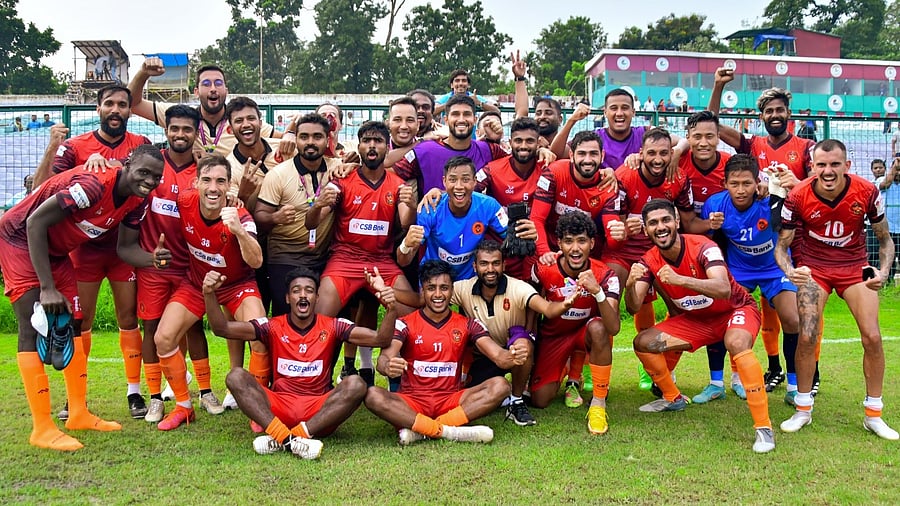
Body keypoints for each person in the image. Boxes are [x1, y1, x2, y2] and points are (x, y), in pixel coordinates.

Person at [0, 144, 166, 451]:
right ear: (127, 165)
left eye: (156, 177)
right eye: (144, 172)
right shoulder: (92, 185)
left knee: (74, 324)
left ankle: (77, 412)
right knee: (34, 326)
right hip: (20, 240)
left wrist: (152, 259)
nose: (150, 181)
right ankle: (42, 428)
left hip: (57, 251)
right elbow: (34, 223)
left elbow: (125, 250)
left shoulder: (137, 200)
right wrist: (47, 287)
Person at [626, 199, 774, 454]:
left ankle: (763, 427)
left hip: (734, 310)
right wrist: (630, 284)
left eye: (665, 220)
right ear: (646, 229)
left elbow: (723, 288)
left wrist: (679, 279)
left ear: (676, 220)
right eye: (653, 223)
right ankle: (672, 399)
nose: (660, 227)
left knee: (737, 343)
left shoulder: (704, 246)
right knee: (644, 343)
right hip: (697, 321)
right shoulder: (648, 260)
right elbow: (633, 307)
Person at [41, 85, 153, 420]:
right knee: (81, 321)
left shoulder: (141, 146)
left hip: (124, 246)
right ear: (98, 108)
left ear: (129, 110)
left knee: (128, 318)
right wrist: (67, 156)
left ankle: (135, 393)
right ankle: (75, 397)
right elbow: (45, 187)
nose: (116, 109)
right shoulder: (75, 147)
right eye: (109, 104)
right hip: (83, 250)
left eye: (122, 104)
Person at [202, 268, 397, 459]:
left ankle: (286, 438)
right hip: (279, 408)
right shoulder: (272, 326)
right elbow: (222, 329)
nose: (303, 295)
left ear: (317, 298)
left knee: (356, 384)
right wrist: (209, 294)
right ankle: (290, 439)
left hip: (319, 413)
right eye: (296, 291)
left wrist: (391, 307)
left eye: (309, 291)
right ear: (288, 298)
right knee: (235, 376)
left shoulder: (333, 325)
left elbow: (380, 339)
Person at [777, 139, 898, 440]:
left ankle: (874, 413)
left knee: (872, 336)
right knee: (806, 334)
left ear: (847, 165)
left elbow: (884, 240)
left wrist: (883, 271)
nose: (828, 171)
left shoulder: (866, 191)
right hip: (813, 267)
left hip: (854, 266)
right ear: (813, 167)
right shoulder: (798, 195)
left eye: (834, 164)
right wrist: (790, 271)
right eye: (821, 165)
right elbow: (782, 246)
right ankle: (803, 408)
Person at [152, 155, 269, 431]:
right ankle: (184, 406)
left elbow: (256, 261)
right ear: (196, 183)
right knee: (163, 338)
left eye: (220, 181)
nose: (213, 187)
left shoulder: (240, 215)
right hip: (196, 283)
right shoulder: (184, 202)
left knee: (261, 335)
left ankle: (259, 409)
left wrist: (239, 231)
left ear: (230, 185)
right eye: (206, 180)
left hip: (237, 285)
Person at [364, 259, 526, 445]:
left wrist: (514, 355)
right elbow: (383, 360)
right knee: (372, 395)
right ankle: (449, 431)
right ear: (422, 291)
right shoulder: (405, 323)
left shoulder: (467, 324)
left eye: (444, 288)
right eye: (431, 288)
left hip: (450, 401)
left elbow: (500, 358)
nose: (438, 294)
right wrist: (388, 365)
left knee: (501, 386)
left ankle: (425, 430)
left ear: (451, 291)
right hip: (412, 401)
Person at [305, 121, 418, 386]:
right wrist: (317, 205)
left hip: (381, 262)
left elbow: (404, 222)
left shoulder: (398, 184)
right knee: (320, 317)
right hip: (345, 259)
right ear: (359, 146)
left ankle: (407, 380)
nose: (372, 145)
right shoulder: (342, 180)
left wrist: (411, 206)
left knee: (411, 318)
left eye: (378, 141)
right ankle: (314, 380)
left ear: (386, 147)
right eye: (367, 140)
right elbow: (311, 223)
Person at [130, 105, 219, 423]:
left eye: (187, 129)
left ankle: (206, 391)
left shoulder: (203, 169)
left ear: (197, 132)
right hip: (153, 264)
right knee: (152, 329)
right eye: (175, 128)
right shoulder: (152, 164)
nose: (180, 134)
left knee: (194, 326)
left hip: (189, 266)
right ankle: (155, 397)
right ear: (166, 130)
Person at [698, 154, 800, 405]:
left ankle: (795, 386)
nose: (741, 190)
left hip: (776, 269)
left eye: (747, 183)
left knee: (792, 317)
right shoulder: (715, 205)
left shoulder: (771, 201)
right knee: (719, 314)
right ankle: (716, 383)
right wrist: (711, 225)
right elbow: (705, 239)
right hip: (739, 271)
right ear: (725, 184)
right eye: (735, 184)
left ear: (758, 182)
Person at [530, 213, 621, 434]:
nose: (575, 248)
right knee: (540, 400)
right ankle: (567, 372)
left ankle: (598, 402)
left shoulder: (606, 274)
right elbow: (530, 307)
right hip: (554, 336)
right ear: (559, 243)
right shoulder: (542, 269)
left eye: (581, 240)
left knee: (599, 328)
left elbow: (614, 327)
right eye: (568, 241)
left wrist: (597, 291)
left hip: (585, 332)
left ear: (592, 243)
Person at [253, 113, 342, 316]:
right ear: (296, 140)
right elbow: (259, 216)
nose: (310, 142)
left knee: (326, 323)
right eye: (304, 137)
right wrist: (276, 218)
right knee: (286, 320)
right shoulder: (279, 174)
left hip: (323, 258)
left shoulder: (337, 169)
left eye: (317, 137)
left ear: (327, 139)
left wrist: (351, 164)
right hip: (285, 256)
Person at [397, 156, 537, 281]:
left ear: (475, 181)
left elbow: (514, 238)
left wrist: (529, 235)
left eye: (465, 179)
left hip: (471, 280)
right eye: (452, 180)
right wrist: (405, 246)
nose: (459, 186)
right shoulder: (430, 208)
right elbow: (403, 260)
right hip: (436, 279)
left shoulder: (488, 205)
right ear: (444, 182)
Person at [128, 57, 290, 158]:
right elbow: (133, 103)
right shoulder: (183, 117)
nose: (213, 88)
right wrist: (143, 73)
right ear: (196, 92)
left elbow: (284, 139)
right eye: (206, 84)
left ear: (226, 90)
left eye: (218, 83)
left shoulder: (240, 121)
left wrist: (290, 135)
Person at [391, 95, 512, 194]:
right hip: (432, 222)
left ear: (474, 120)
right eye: (455, 114)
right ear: (446, 120)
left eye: (466, 114)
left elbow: (518, 164)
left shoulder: (489, 149)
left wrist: (497, 139)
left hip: (475, 223)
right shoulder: (423, 150)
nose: (461, 119)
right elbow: (387, 173)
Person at [433, 69, 500, 116]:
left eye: (464, 80)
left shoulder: (474, 97)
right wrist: (450, 103)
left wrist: (479, 103)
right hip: (448, 135)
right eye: (457, 81)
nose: (460, 83)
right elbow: (432, 111)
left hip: (471, 136)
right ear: (451, 85)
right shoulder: (445, 98)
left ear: (468, 85)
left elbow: (497, 111)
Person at [877, 158, 900, 281]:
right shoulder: (882, 180)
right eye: (897, 170)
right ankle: (886, 283)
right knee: (888, 257)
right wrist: (895, 167)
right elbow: (884, 184)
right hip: (888, 228)